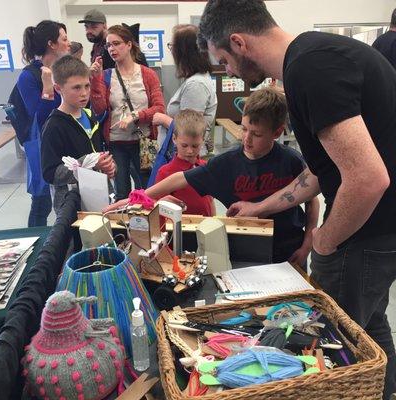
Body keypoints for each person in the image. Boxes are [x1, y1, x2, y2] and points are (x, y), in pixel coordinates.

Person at [197, 1, 396, 397]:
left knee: (323, 351)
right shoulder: (318, 55)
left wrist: (323, 240)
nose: (230, 72)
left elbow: (368, 178)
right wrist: (260, 207)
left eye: (224, 60)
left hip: (363, 236)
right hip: (379, 235)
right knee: (369, 329)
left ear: (238, 43)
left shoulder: (310, 69)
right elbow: (325, 170)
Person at [107, 87, 319, 266]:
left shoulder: (291, 160)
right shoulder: (225, 164)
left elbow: (312, 201)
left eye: (256, 134)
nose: (246, 138)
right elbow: (180, 178)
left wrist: (307, 244)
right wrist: (138, 197)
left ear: (277, 132)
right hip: (244, 252)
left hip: (289, 250)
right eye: (244, 129)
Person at [90, 25, 165, 200]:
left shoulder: (148, 75)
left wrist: (137, 115)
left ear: (129, 45)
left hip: (143, 141)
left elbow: (160, 109)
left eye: (116, 43)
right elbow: (99, 109)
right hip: (116, 143)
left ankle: (147, 226)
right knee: (121, 192)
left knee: (147, 191)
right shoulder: (106, 76)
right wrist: (95, 80)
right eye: (108, 45)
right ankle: (123, 226)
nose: (112, 49)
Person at [41, 55, 116, 213]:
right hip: (72, 205)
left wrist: (108, 167)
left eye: (87, 86)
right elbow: (50, 173)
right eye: (76, 88)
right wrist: (87, 163)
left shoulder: (90, 116)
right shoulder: (54, 125)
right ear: (58, 88)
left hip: (99, 197)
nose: (84, 93)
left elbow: (96, 154)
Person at [18, 20, 70, 226]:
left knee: (64, 199)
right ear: (52, 44)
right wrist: (48, 88)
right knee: (41, 203)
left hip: (64, 144)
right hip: (42, 147)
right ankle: (35, 246)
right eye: (64, 39)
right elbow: (40, 118)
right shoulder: (29, 76)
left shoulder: (61, 70)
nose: (69, 43)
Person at [152, 24, 217, 155]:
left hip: (187, 156)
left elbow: (190, 129)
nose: (171, 51)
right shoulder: (195, 79)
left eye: (172, 46)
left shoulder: (196, 84)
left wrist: (162, 119)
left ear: (183, 51)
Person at [154, 109, 215, 216]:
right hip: (180, 229)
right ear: (174, 139)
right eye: (184, 145)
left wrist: (215, 221)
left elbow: (210, 200)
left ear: (203, 140)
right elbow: (159, 208)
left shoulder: (206, 168)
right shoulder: (165, 173)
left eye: (195, 146)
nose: (190, 151)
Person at [78, 9, 148, 68]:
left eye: (94, 27)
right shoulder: (96, 46)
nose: (89, 31)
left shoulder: (121, 47)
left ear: (104, 26)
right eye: (86, 27)